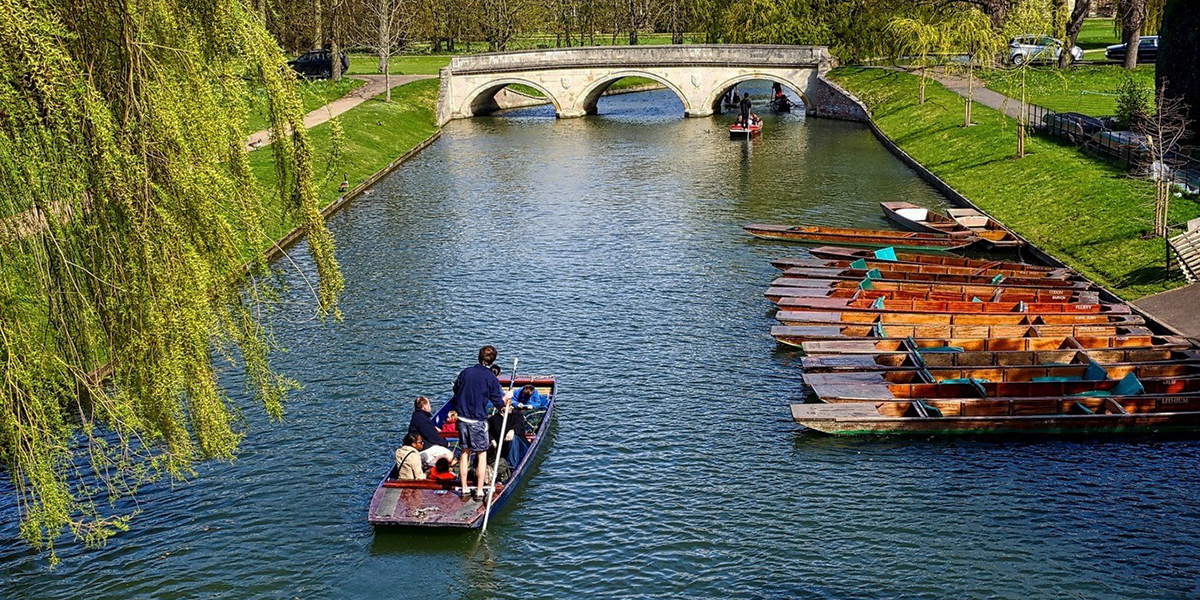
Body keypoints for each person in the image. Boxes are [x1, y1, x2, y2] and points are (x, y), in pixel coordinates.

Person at [451, 345, 512, 500]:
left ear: (479, 356)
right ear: (493, 360)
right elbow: (497, 400)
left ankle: (464, 488)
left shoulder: (466, 372)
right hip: (477, 420)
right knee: (481, 454)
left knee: (465, 453)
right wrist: (505, 404)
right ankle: (479, 491)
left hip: (462, 418)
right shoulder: (490, 378)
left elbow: (456, 390)